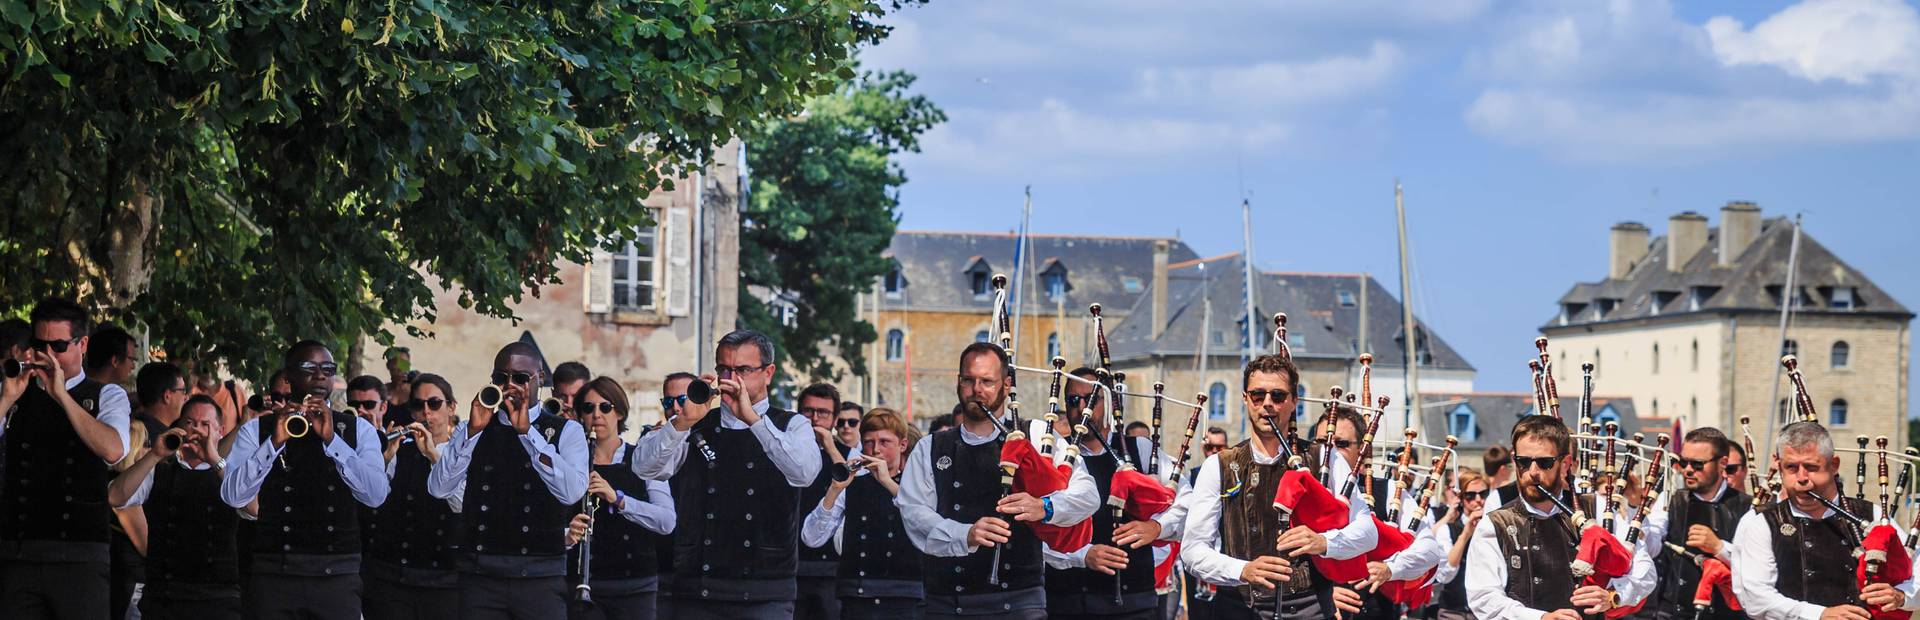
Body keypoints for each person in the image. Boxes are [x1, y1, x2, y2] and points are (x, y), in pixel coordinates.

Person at [897, 342, 1100, 619]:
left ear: (1006, 385)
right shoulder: (931, 447)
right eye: (969, 380)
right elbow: (913, 513)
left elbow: (1087, 494)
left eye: (987, 381)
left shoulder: (1038, 435)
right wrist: (965, 534)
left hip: (1020, 601)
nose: (977, 389)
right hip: (948, 602)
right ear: (959, 383)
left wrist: (1045, 506)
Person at [632, 330, 821, 619]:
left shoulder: (792, 425)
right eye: (724, 369)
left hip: (766, 587)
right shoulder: (695, 424)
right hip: (699, 586)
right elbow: (644, 468)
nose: (732, 378)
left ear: (768, 373)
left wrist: (754, 421)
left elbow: (804, 473)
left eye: (743, 370)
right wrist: (682, 423)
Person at [1181, 354, 1375, 620]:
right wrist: (1243, 570)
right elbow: (1192, 550)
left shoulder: (1325, 459)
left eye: (1278, 396)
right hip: (1239, 609)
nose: (1267, 404)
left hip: (1311, 608)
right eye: (1258, 395)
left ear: (1294, 401)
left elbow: (1367, 532)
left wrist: (1323, 542)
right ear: (1245, 399)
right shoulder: (1218, 465)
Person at [220, 339, 389, 618]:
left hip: (337, 574)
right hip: (275, 573)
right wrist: (274, 442)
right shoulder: (257, 430)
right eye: (309, 367)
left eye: (327, 368)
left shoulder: (358, 430)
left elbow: (376, 495)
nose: (320, 374)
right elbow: (233, 496)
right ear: (287, 376)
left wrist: (333, 440)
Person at [428, 341, 589, 619]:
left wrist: (528, 434)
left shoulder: (567, 431)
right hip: (481, 573)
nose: (510, 385)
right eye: (501, 378)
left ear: (539, 379)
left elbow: (572, 492)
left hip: (540, 574)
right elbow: (439, 488)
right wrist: (472, 434)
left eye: (520, 378)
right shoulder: (472, 428)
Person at [0, 298, 134, 619]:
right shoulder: (14, 391)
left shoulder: (106, 395)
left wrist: (61, 394)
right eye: (40, 345)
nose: (48, 355)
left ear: (82, 344)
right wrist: (6, 399)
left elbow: (113, 449)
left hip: (80, 555)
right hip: (19, 553)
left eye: (58, 346)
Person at [1465, 415, 1654, 620]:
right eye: (1523, 462)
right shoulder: (1495, 524)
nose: (1532, 472)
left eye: (1544, 462)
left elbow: (1644, 569)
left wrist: (1614, 596)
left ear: (1565, 464)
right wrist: (1541, 618)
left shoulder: (1596, 508)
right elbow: (1483, 598)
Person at [1729, 421, 1920, 620]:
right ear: (1779, 467)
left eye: (1811, 467)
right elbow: (1756, 599)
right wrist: (1819, 614)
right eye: (1791, 467)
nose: (1802, 478)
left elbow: (1916, 567)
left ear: (1834, 465)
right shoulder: (1762, 523)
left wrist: (1902, 596)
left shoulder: (1870, 514)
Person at [1044, 367, 1183, 620]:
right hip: (1067, 604)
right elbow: (1033, 530)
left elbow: (1187, 501)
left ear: (1110, 403)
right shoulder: (1052, 455)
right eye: (1073, 400)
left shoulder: (1138, 450)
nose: (1081, 407)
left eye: (1091, 399)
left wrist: (1156, 527)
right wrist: (1082, 555)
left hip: (1134, 604)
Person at [110, 395, 239, 619]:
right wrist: (155, 454)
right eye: (189, 423)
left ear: (220, 430)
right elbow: (115, 497)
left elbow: (252, 506)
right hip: (165, 597)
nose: (196, 431)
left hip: (218, 599)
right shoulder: (160, 470)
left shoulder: (230, 474)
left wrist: (214, 460)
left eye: (205, 425)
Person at [564, 376, 676, 620]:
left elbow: (666, 521)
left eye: (605, 407)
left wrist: (618, 498)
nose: (597, 415)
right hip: (582, 583)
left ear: (620, 413)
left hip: (635, 585)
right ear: (579, 416)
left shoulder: (644, 459)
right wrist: (568, 534)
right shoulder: (569, 463)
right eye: (588, 408)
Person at [801, 407, 925, 618]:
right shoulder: (852, 486)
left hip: (905, 596)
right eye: (868, 442)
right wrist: (834, 489)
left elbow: (928, 526)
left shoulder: (918, 485)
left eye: (884, 442)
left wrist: (887, 482)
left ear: (902, 445)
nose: (875, 449)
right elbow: (811, 538)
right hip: (857, 595)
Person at [362, 373, 463, 620]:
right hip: (395, 576)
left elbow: (462, 504)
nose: (426, 412)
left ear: (451, 408)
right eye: (418, 405)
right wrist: (384, 457)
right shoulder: (401, 451)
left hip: (446, 580)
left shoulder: (462, 454)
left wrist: (433, 456)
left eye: (434, 404)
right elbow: (372, 499)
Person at [1652, 428, 1750, 620]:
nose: (1687, 469)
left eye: (1697, 464)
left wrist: (1719, 548)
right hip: (1672, 614)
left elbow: (1758, 565)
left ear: (1722, 463)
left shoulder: (1749, 507)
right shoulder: (1670, 500)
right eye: (1683, 462)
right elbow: (1651, 544)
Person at [796, 383, 856, 620]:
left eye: (823, 413)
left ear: (834, 419)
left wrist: (830, 447)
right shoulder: (786, 448)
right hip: (791, 563)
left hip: (831, 566)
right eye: (808, 411)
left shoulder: (847, 453)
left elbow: (851, 482)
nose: (815, 418)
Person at [649, 371, 699, 619]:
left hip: (703, 567)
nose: (676, 408)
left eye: (682, 399)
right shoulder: (655, 440)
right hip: (662, 562)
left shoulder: (714, 437)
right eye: (668, 402)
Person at [1432, 468, 1490, 620]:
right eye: (1470, 496)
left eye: (1483, 494)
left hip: (1485, 610)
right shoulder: (1449, 529)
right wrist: (1466, 533)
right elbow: (1446, 574)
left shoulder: (1495, 524)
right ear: (1461, 498)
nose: (1478, 500)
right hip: (1453, 611)